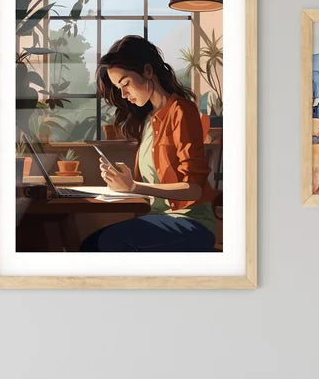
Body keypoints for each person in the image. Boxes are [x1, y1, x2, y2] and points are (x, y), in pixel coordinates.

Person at [81, 35, 217, 252]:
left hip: (191, 223)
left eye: (125, 83)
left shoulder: (182, 112)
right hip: (159, 219)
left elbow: (193, 190)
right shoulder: (148, 121)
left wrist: (134, 186)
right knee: (91, 244)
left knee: (105, 244)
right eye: (118, 88)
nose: (123, 94)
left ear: (147, 71)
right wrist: (120, 184)